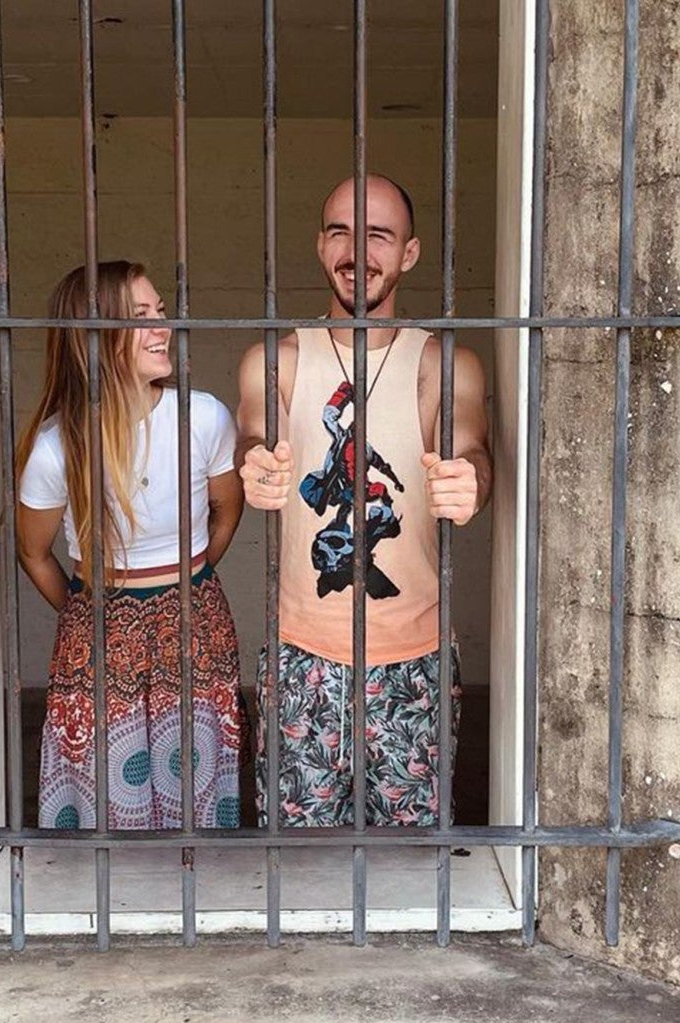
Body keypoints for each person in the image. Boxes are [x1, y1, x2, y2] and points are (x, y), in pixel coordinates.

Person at [235, 175, 492, 827]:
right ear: (321, 246)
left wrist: (470, 479)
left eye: (377, 233)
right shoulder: (280, 357)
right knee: (295, 862)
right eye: (341, 232)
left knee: (409, 868)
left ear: (407, 252)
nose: (357, 250)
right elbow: (256, 427)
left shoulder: (442, 361)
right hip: (302, 658)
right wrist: (258, 462)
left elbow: (466, 442)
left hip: (416, 663)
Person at [17, 260, 245, 830]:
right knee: (105, 802)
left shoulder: (203, 418)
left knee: (194, 792)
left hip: (195, 624)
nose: (161, 327)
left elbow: (227, 510)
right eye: (140, 316)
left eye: (161, 313)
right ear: (94, 334)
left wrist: (182, 587)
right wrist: (93, 610)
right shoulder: (57, 448)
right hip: (97, 635)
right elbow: (34, 553)